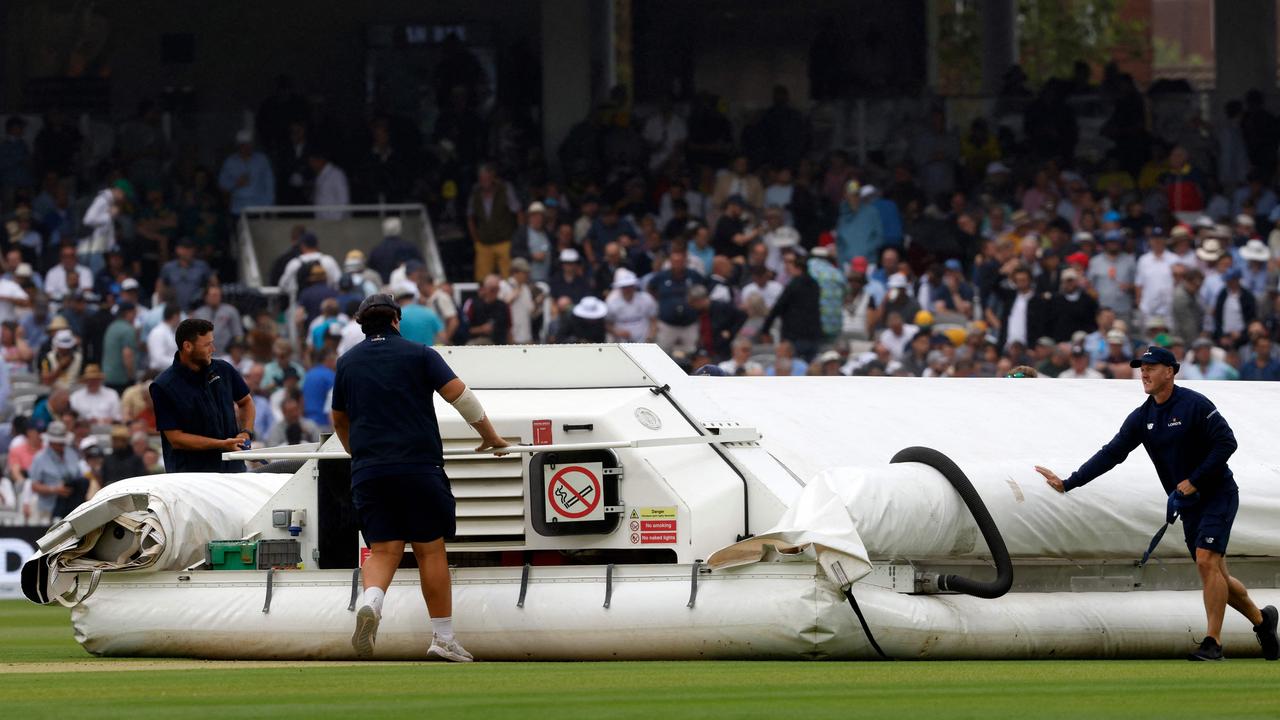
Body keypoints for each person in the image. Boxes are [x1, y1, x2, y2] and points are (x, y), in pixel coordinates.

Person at [1035, 346, 1278, 661]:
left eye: (1151, 367)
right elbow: (1112, 453)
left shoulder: (1194, 404)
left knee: (1206, 562)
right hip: (1188, 504)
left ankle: (1212, 643)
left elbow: (1226, 442)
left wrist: (1195, 479)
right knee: (1216, 574)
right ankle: (1263, 621)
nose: (1144, 373)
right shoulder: (1143, 416)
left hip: (1218, 494)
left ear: (1171, 371)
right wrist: (1070, 482)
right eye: (1141, 368)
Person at [330, 293, 509, 662]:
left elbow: (339, 420)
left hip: (370, 468)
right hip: (418, 466)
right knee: (429, 549)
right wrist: (490, 437)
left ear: (363, 324)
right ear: (397, 319)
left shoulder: (347, 362)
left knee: (383, 549)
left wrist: (356, 453)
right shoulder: (420, 353)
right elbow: (461, 397)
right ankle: (443, 638)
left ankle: (372, 602)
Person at [150, 318, 255, 472]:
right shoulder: (163, 386)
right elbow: (176, 439)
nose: (212, 349)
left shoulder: (224, 369)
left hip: (233, 470)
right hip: (192, 479)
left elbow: (246, 402)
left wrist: (246, 432)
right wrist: (222, 444)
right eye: (207, 345)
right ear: (187, 346)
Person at [28, 420, 83, 524]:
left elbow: (78, 476)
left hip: (72, 507)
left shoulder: (71, 454)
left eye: (62, 443)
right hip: (49, 509)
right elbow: (34, 486)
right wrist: (54, 489)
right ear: (51, 442)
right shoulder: (40, 458)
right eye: (58, 443)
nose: (61, 445)